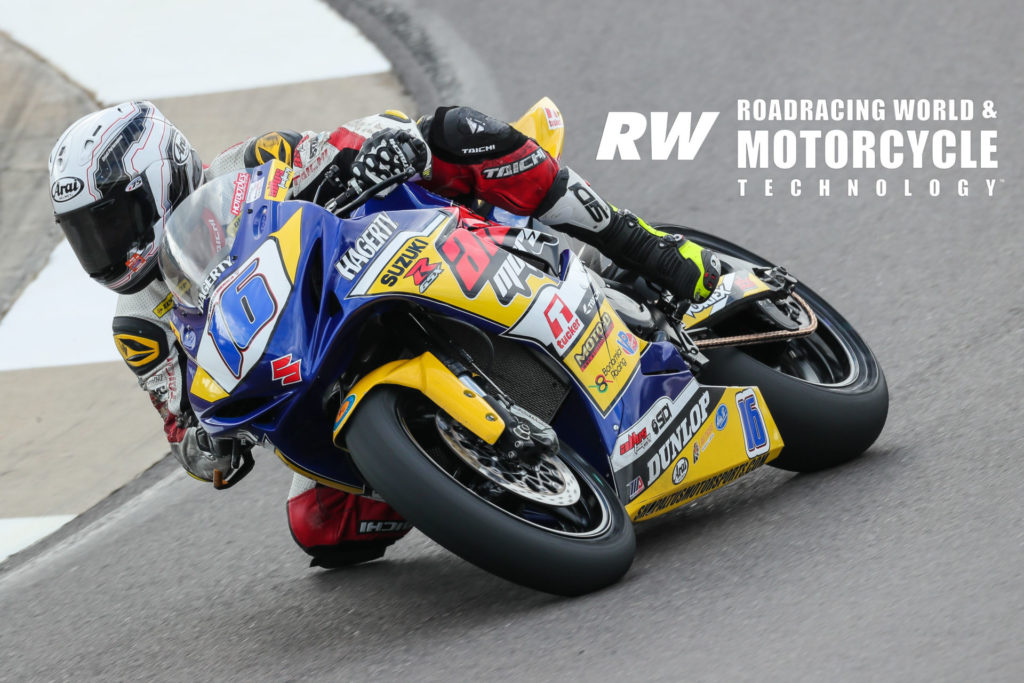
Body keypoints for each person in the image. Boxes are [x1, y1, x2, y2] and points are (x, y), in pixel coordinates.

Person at [47, 100, 720, 567]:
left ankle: (653, 253)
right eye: (88, 237)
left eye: (115, 221)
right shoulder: (138, 326)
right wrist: (209, 448)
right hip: (307, 374)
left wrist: (378, 153)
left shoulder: (247, 166)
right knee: (319, 528)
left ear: (162, 175)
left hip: (392, 258)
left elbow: (343, 145)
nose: (110, 249)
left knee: (454, 132)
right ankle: (453, 475)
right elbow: (182, 426)